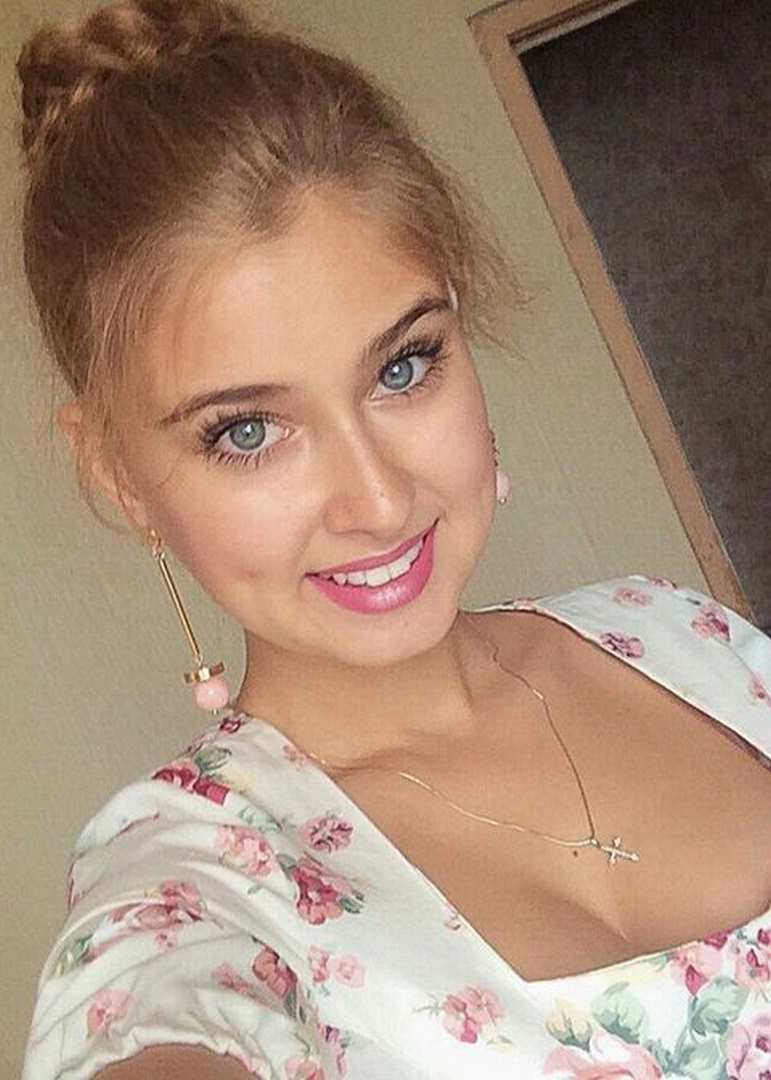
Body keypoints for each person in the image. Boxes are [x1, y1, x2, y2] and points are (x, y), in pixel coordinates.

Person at [17, 1, 771, 1077]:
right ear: (118, 474)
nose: (376, 500)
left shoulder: (676, 632)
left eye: (403, 367)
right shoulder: (197, 888)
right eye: (247, 432)